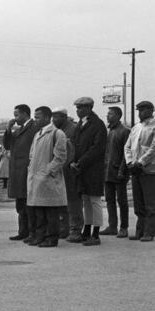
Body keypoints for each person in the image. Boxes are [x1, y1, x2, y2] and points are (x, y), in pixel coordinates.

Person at [27, 106, 67, 247]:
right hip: (36, 178)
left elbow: (60, 157)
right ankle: (40, 236)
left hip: (48, 179)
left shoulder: (57, 133)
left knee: (51, 211)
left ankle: (51, 238)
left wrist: (47, 171)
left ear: (46, 117)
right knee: (39, 211)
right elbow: (32, 155)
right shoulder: (38, 134)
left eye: (38, 117)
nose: (35, 120)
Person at [70, 97, 107, 246]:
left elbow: (97, 148)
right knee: (86, 200)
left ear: (89, 108)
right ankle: (87, 230)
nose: (78, 110)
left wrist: (81, 162)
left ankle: (96, 233)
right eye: (77, 108)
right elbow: (75, 145)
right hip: (82, 168)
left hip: (93, 168)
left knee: (95, 200)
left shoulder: (97, 124)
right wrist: (73, 161)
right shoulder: (80, 124)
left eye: (80, 108)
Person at [4, 104, 39, 243]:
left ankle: (31, 231)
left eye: (17, 115)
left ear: (25, 114)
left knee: (28, 203)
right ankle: (23, 231)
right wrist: (8, 129)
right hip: (17, 171)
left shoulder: (34, 127)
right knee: (20, 203)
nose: (15, 118)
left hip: (26, 170)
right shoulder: (19, 130)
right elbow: (7, 145)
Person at [125, 101, 155, 242]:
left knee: (150, 203)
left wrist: (141, 162)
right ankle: (140, 230)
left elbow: (153, 149)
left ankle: (149, 232)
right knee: (138, 203)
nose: (140, 112)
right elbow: (128, 146)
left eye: (143, 110)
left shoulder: (154, 125)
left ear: (151, 110)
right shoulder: (136, 127)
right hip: (136, 170)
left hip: (149, 170)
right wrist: (130, 162)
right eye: (139, 110)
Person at [52, 107, 81, 240]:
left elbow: (73, 150)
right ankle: (64, 227)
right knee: (61, 201)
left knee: (72, 200)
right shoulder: (56, 130)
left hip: (70, 170)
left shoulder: (73, 129)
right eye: (53, 116)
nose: (54, 119)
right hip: (60, 170)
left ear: (64, 116)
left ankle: (75, 228)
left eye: (56, 116)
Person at [100, 107, 130, 238]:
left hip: (119, 172)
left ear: (118, 115)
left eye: (110, 114)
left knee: (122, 201)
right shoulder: (110, 131)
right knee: (109, 200)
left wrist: (122, 170)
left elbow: (126, 154)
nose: (108, 116)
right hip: (108, 172)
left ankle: (124, 227)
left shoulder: (124, 132)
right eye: (107, 114)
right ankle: (112, 226)